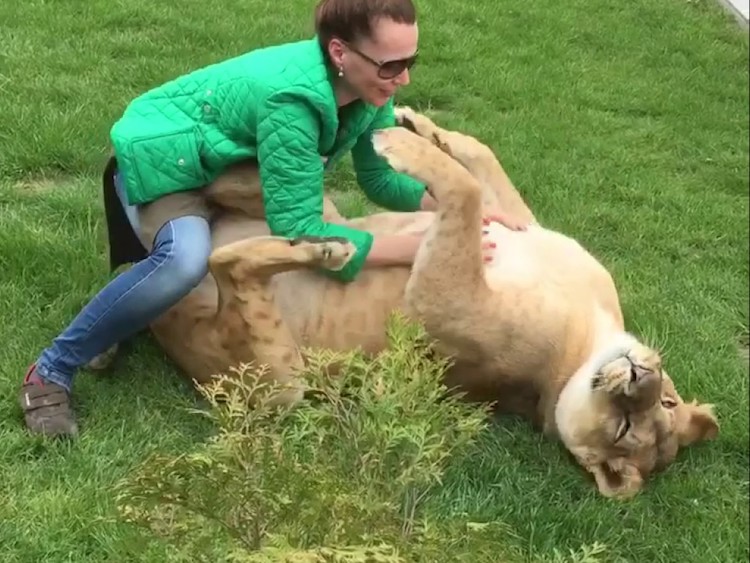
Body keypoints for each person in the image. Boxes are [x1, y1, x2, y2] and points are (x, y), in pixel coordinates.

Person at [19, 0, 524, 439]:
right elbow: (305, 235)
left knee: (268, 231)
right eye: (391, 65)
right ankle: (51, 371)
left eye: (410, 61)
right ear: (340, 54)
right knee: (183, 262)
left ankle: (132, 307)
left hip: (229, 162)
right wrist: (423, 250)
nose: (405, 78)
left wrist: (462, 212)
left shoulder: (370, 96)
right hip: (170, 162)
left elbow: (382, 181)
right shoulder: (295, 103)